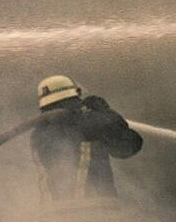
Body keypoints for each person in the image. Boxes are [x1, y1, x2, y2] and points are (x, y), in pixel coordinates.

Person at [30, 74, 142, 204]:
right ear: (72, 98)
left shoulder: (38, 134)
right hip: (92, 210)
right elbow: (130, 145)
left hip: (52, 214)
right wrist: (106, 113)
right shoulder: (87, 123)